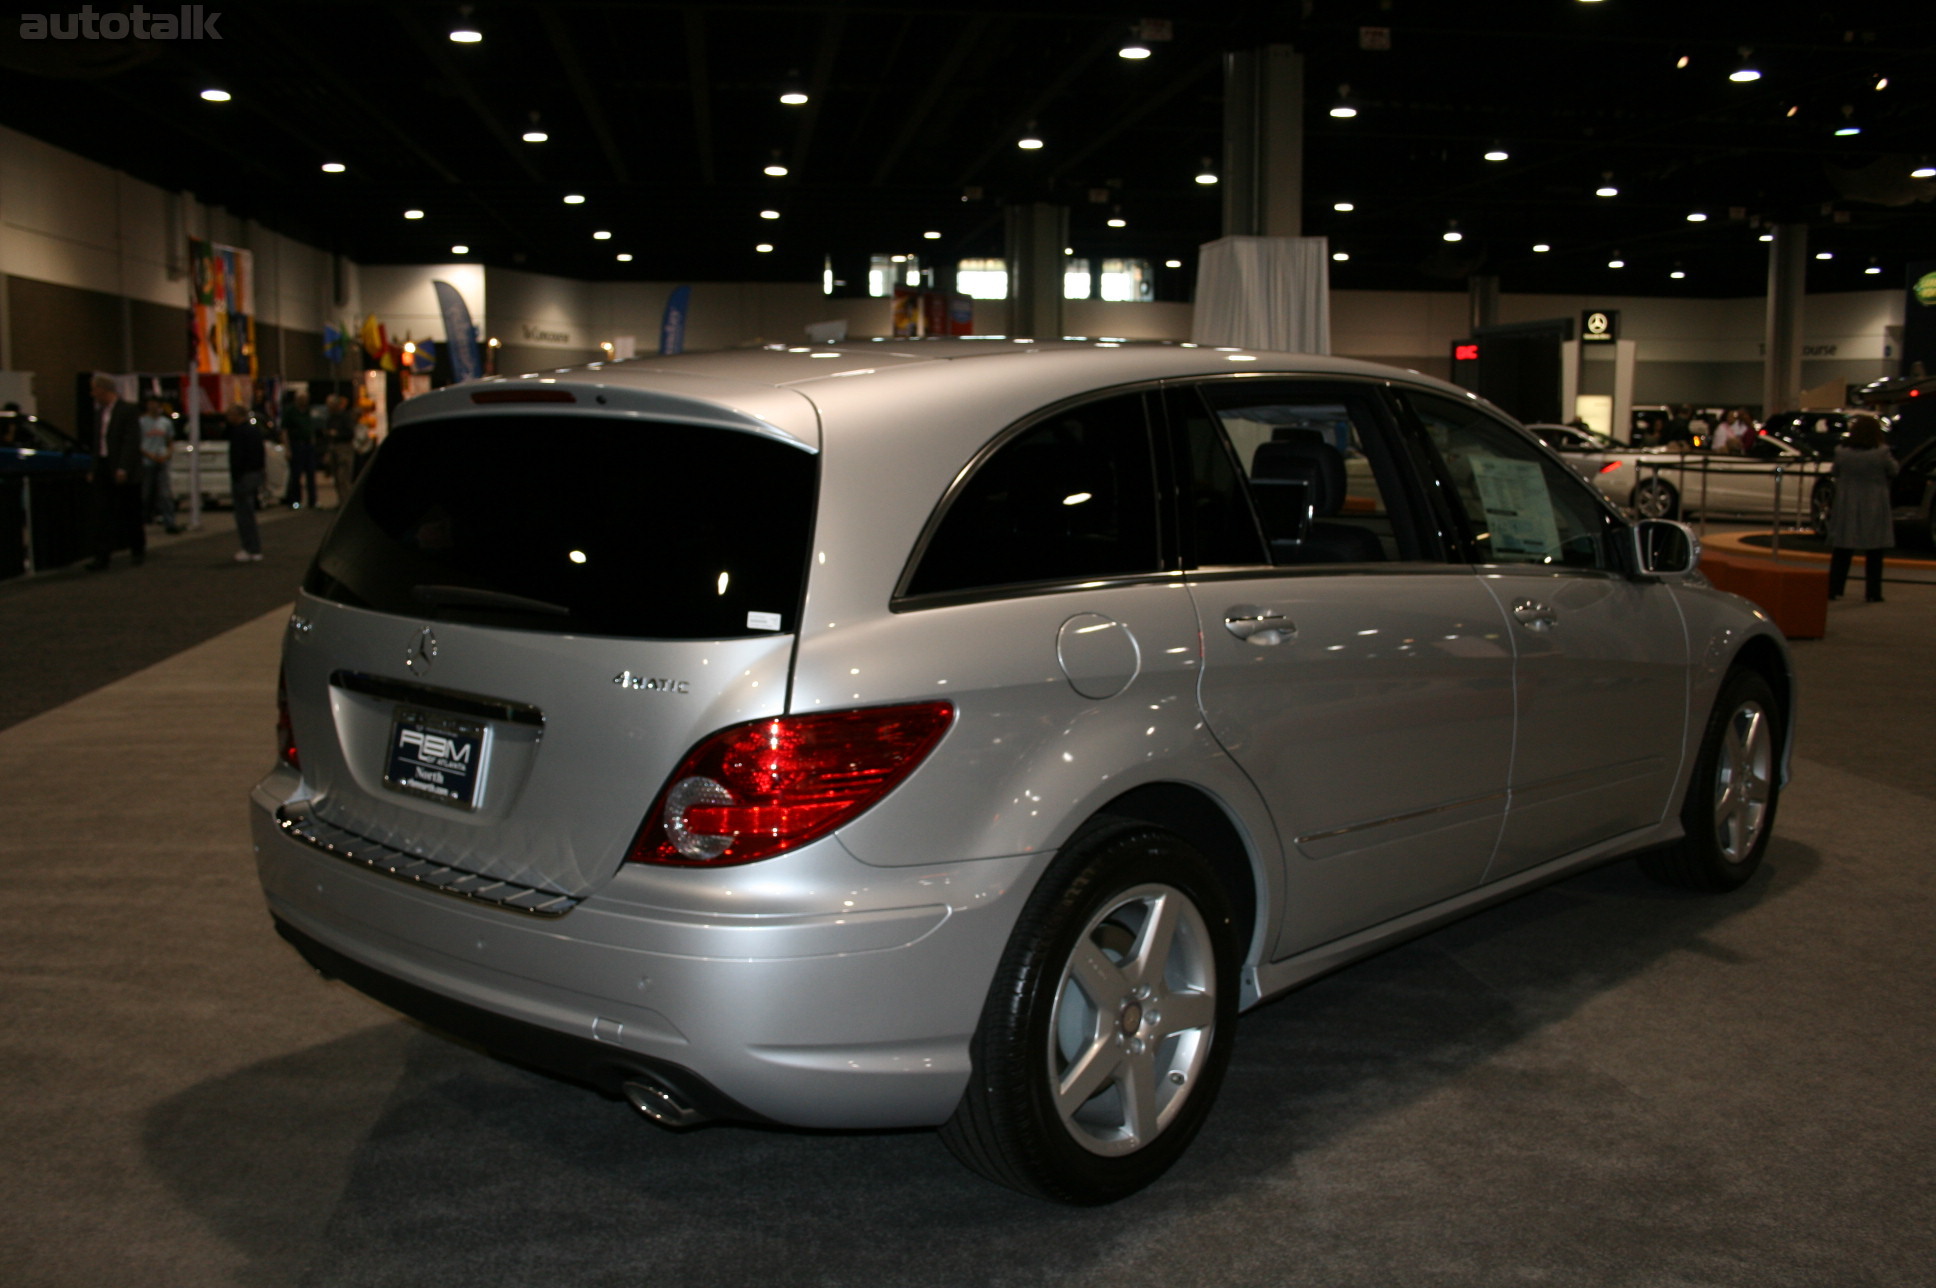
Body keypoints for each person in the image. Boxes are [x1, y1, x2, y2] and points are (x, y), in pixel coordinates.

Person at [1826, 414, 1897, 603]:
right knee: (1874, 551)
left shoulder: (1842, 452)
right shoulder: (1881, 452)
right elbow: (1893, 470)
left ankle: (1834, 588)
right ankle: (1873, 592)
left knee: (1842, 549)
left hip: (1847, 501)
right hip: (1874, 501)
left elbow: (1835, 472)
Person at [85, 375, 146, 570]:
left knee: (130, 510)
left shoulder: (127, 411)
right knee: (102, 512)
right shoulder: (99, 413)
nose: (92, 394)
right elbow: (97, 443)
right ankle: (102, 555)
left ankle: (137, 549)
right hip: (104, 464)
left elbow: (131, 440)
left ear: (104, 390)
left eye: (94, 389)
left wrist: (123, 467)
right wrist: (94, 468)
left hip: (122, 466)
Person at [226, 404, 266, 562]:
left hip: (244, 475)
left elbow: (239, 457)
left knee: (244, 513)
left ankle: (251, 547)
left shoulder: (240, 432)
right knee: (247, 512)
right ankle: (252, 547)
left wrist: (238, 474)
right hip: (252, 473)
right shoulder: (253, 431)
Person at [138, 396, 181, 533]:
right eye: (150, 404)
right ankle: (142, 521)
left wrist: (168, 454)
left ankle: (169, 522)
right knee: (145, 493)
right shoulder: (141, 422)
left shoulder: (165, 422)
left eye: (155, 404)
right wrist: (148, 455)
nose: (152, 407)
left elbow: (170, 440)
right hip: (147, 461)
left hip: (162, 460)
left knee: (165, 493)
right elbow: (137, 443)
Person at [280, 390, 320, 509]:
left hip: (308, 446)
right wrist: (287, 449)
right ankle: (295, 501)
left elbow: (311, 428)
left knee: (311, 474)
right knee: (296, 475)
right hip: (296, 445)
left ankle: (313, 501)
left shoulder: (309, 411)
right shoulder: (290, 412)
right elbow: (284, 431)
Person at [323, 393, 356, 506]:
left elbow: (350, 433)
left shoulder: (345, 417)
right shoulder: (330, 418)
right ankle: (341, 500)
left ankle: (346, 502)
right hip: (334, 448)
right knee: (337, 477)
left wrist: (337, 434)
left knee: (344, 477)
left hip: (344, 448)